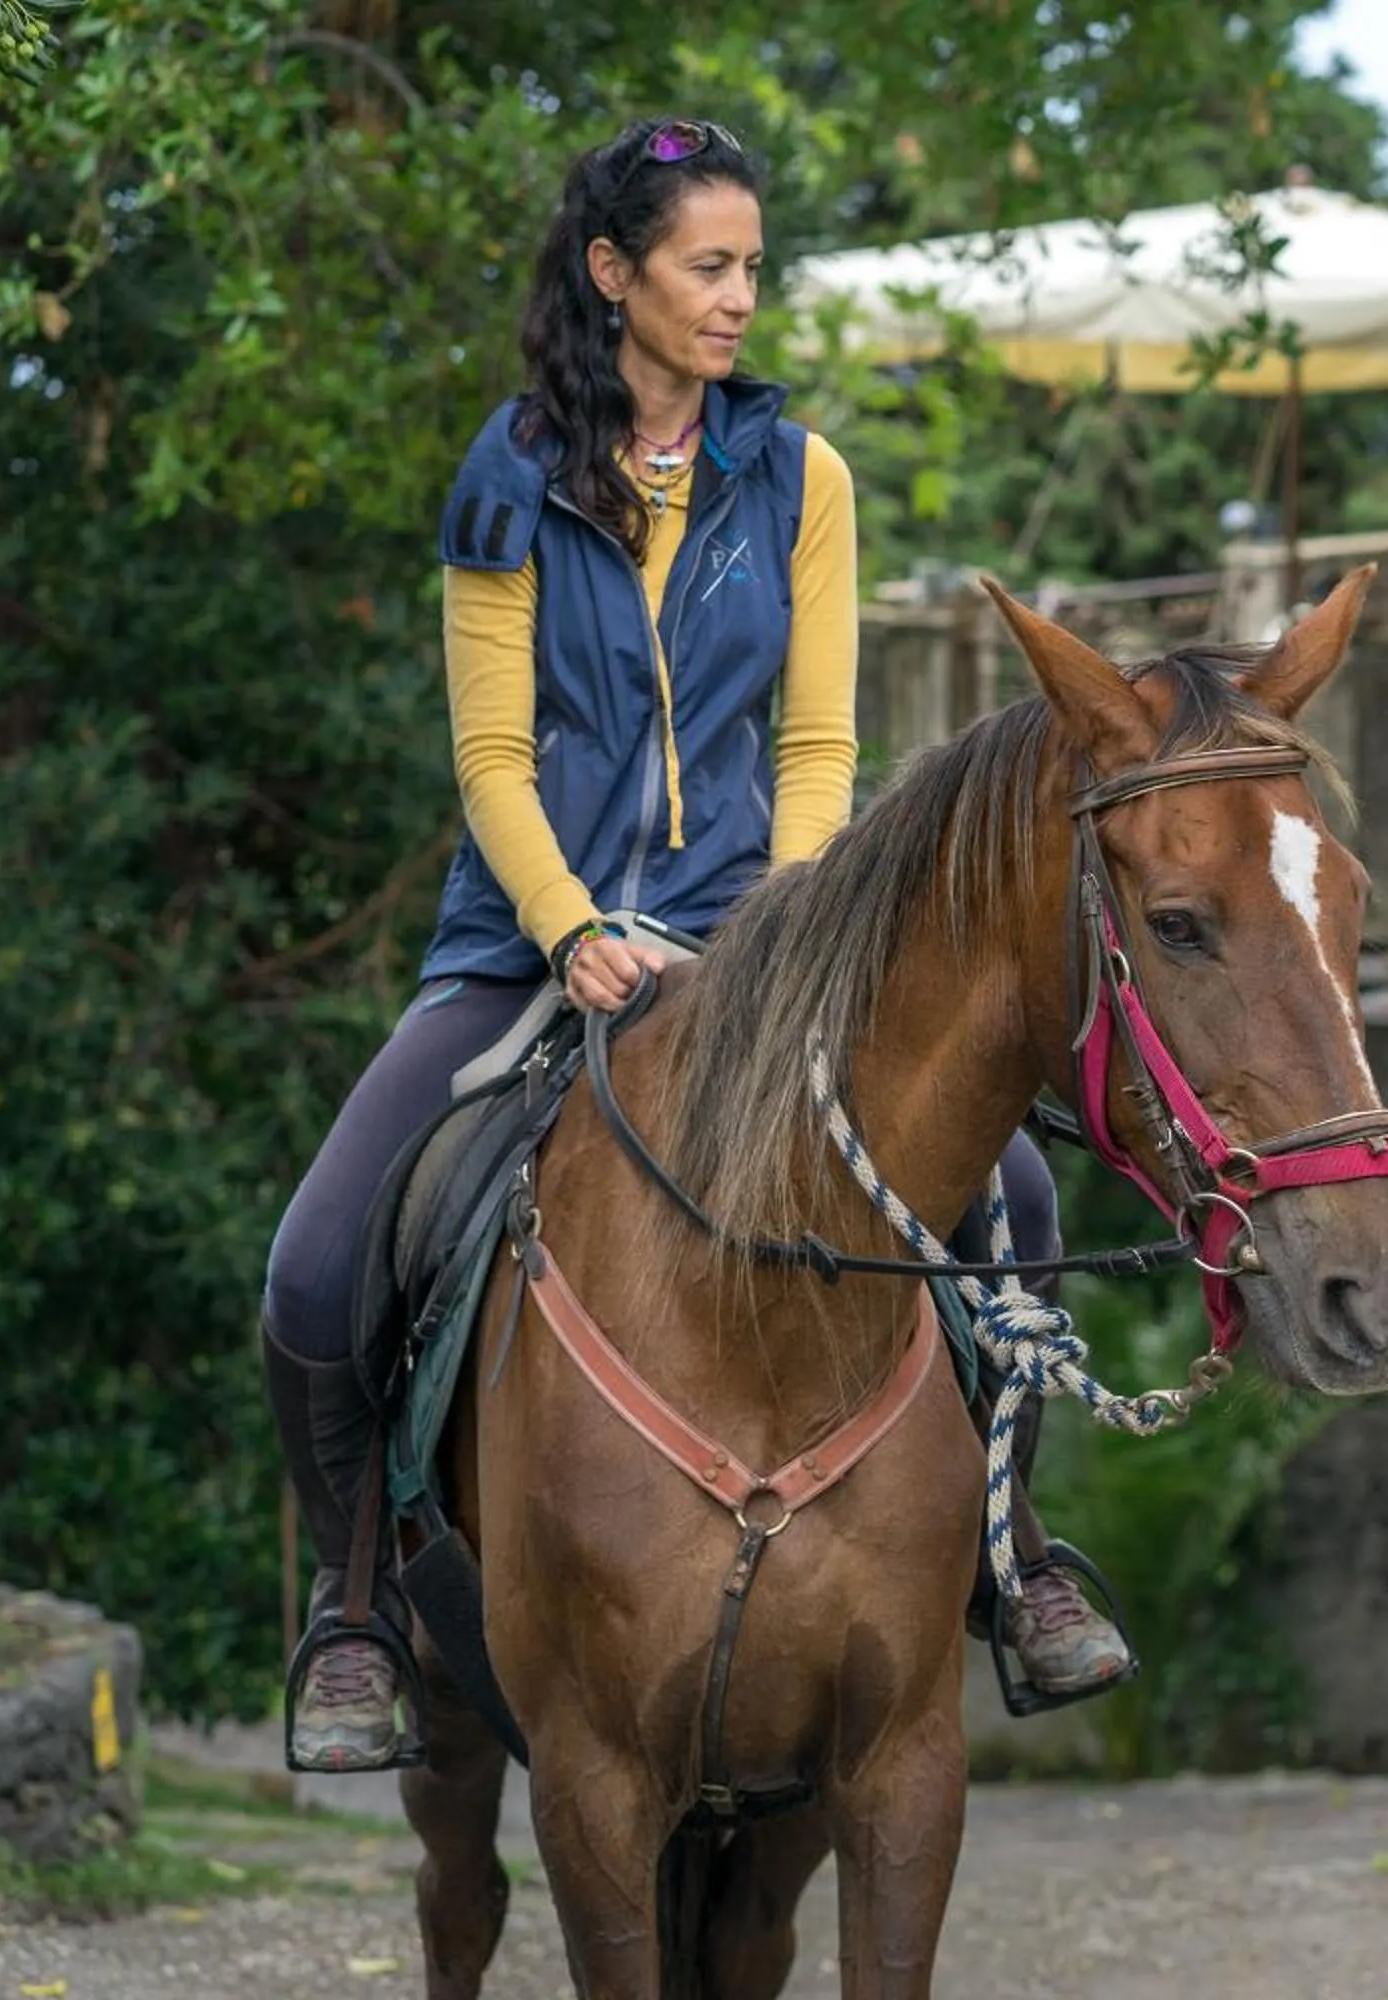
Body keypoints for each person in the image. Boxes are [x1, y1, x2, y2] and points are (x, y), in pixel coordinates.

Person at [260, 117, 1128, 1776]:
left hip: (759, 943)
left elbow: (818, 750)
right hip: (530, 948)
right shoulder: (506, 475)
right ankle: (356, 1609)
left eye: (752, 270)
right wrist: (571, 926)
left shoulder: (802, 478)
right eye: (707, 267)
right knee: (315, 1262)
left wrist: (783, 935)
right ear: (615, 276)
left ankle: (1011, 1566)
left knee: (1013, 1193)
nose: (741, 302)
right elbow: (491, 758)